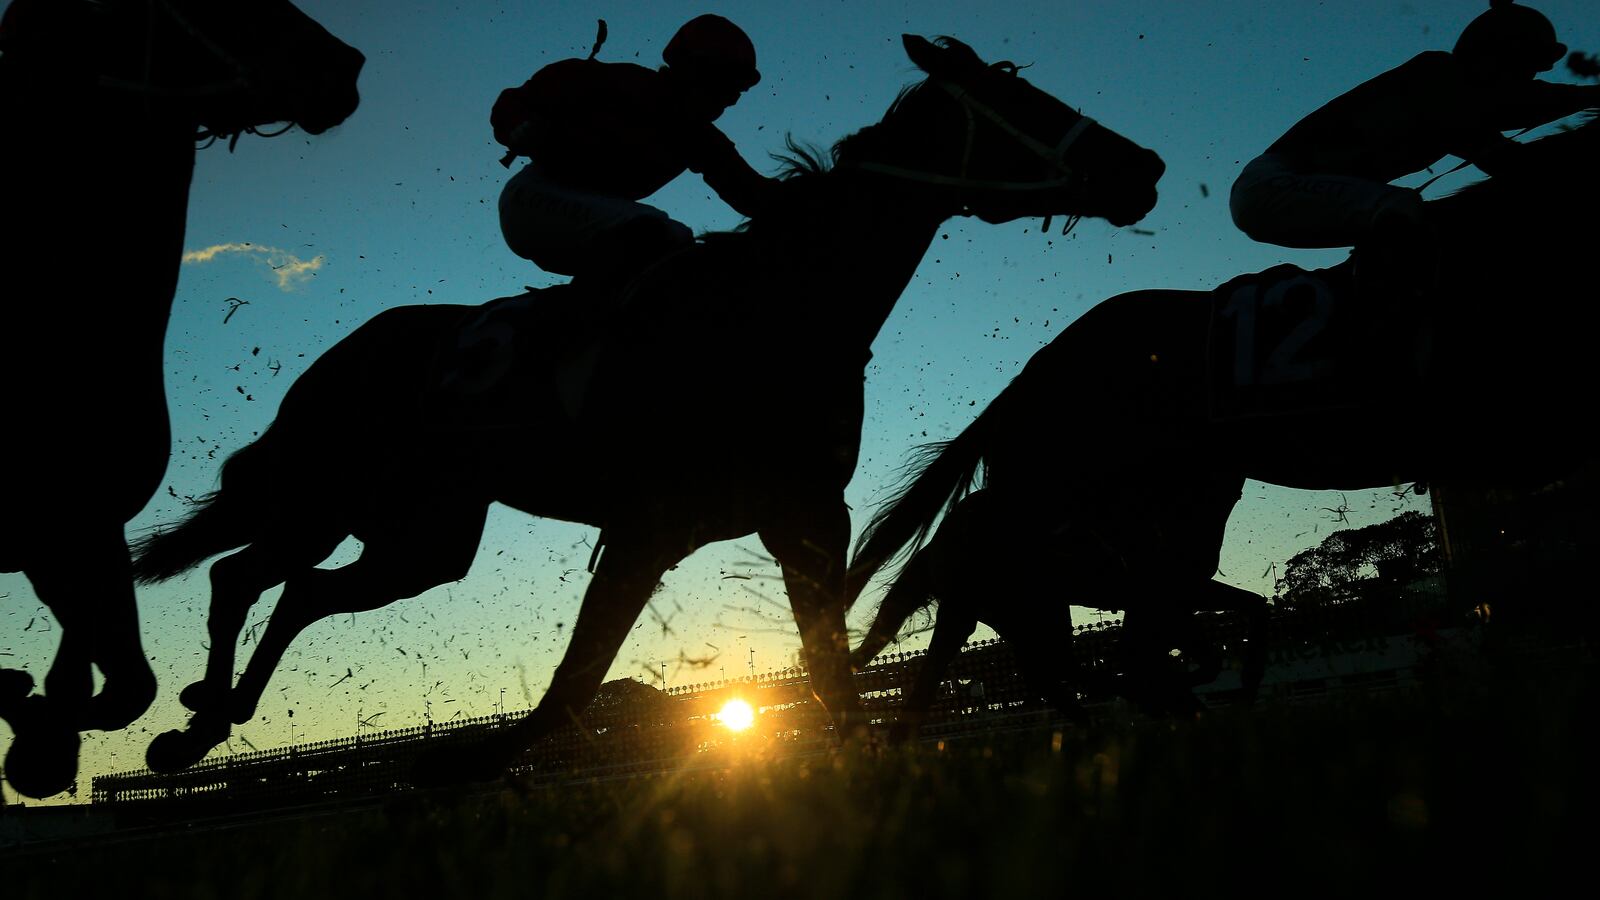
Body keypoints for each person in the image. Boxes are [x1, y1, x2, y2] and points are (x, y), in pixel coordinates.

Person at [1230, 0, 1600, 302]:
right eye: (1524, 68)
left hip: (1280, 189)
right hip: (1273, 185)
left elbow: (1525, 103)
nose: (1528, 79)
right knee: (1401, 211)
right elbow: (1506, 150)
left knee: (1402, 227)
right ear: (1496, 56)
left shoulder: (1453, 86)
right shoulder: (1439, 77)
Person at [492, 14, 781, 298]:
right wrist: (519, 124)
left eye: (738, 90)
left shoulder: (697, 135)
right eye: (727, 85)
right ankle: (571, 326)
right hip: (531, 199)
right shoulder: (619, 82)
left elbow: (752, 193)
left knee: (668, 247)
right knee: (662, 236)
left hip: (591, 224)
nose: (732, 99)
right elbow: (516, 100)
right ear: (694, 69)